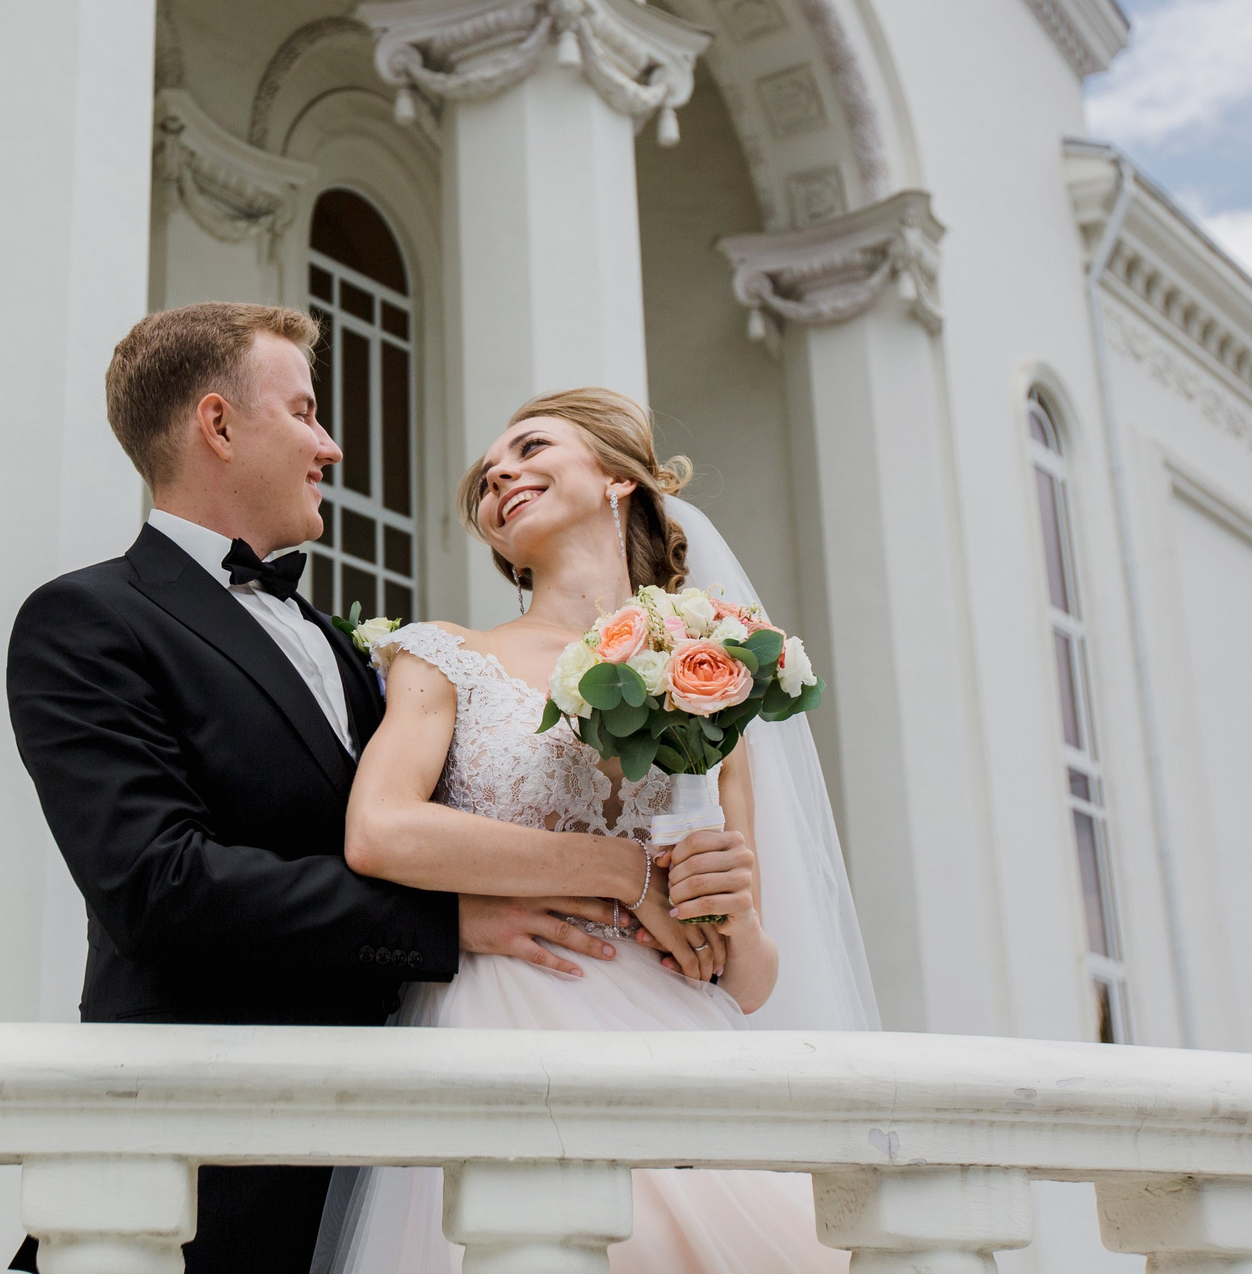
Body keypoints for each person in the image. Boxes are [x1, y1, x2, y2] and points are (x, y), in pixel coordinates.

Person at [7, 306, 684, 1274]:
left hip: (383, 1169)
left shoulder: (338, 645)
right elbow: (157, 885)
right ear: (218, 425)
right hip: (202, 1170)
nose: (329, 445)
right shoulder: (87, 619)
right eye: (305, 413)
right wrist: (445, 923)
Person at [322, 387, 880, 1274]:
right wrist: (625, 870)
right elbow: (381, 830)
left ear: (618, 478)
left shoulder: (712, 679)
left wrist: (733, 914)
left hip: (678, 1051)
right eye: (486, 477)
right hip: (514, 1025)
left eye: (531, 448)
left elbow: (748, 982)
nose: (499, 474)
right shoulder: (446, 655)